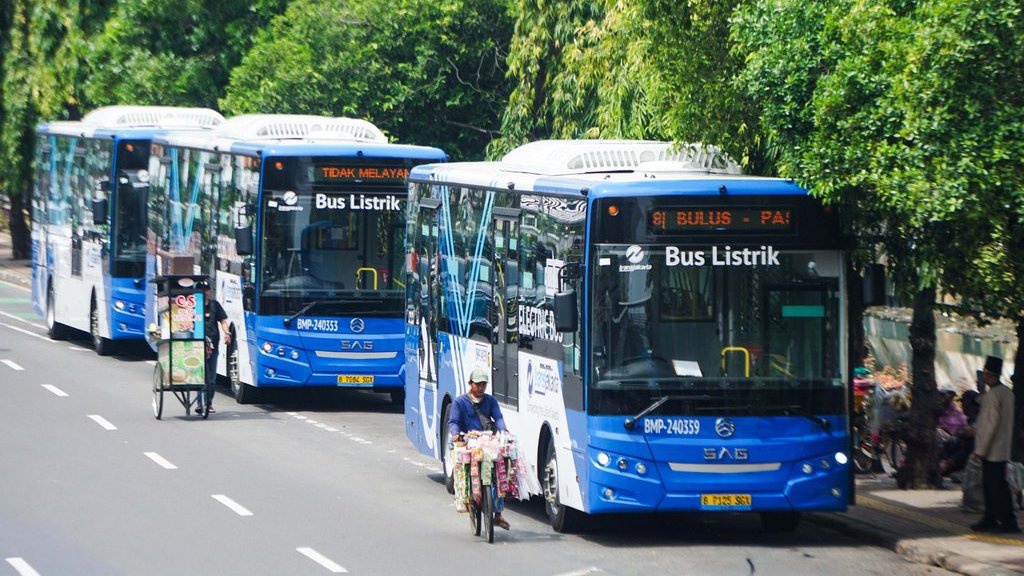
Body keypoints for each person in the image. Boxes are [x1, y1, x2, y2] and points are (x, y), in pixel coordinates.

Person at [448, 366, 510, 530]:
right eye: (478, 384)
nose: (481, 388)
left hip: (487, 442)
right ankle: (468, 499)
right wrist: (456, 434)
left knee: (500, 471)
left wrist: (503, 433)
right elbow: (453, 422)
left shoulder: (491, 401)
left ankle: (498, 514)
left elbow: (498, 418)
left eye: (484, 384)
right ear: (470, 384)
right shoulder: (460, 402)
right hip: (469, 441)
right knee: (465, 469)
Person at [971, 355, 1020, 533]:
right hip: (1003, 446)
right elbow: (990, 404)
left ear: (987, 373)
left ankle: (1007, 521)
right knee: (995, 485)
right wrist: (982, 392)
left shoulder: (993, 395)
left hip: (991, 449)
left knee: (995, 488)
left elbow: (989, 424)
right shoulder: (1006, 392)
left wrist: (980, 450)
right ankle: (991, 518)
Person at [202, 285, 230, 414]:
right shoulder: (193, 305)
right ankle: (200, 403)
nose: (205, 292)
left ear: (209, 291)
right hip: (196, 346)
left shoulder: (215, 305)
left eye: (206, 290)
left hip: (213, 346)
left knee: (212, 378)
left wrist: (227, 333)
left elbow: (223, 320)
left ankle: (209, 403)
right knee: (199, 376)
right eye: (201, 290)